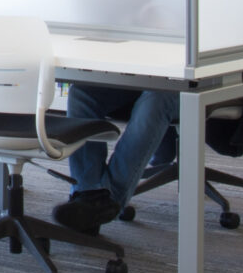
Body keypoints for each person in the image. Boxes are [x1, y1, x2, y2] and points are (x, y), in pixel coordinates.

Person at [52, 82, 174, 233]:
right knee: (81, 92)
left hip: (187, 83)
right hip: (141, 76)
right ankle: (87, 192)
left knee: (156, 97)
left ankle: (105, 202)